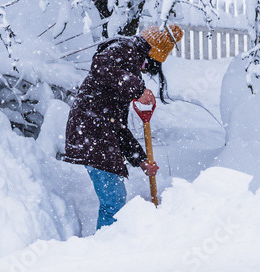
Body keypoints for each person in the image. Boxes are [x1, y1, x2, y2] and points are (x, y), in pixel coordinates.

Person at [64, 25, 184, 230]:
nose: (147, 70)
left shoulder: (130, 64)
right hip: (92, 131)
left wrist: (141, 160)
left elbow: (119, 126)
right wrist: (138, 90)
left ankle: (106, 241)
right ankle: (105, 245)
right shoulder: (126, 49)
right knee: (114, 201)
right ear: (151, 54)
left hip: (98, 132)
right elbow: (100, 66)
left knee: (115, 199)